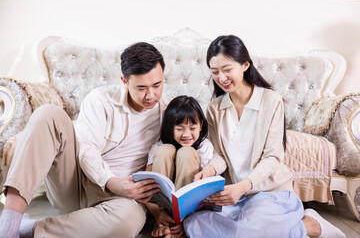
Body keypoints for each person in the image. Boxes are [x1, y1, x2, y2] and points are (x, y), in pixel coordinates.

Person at [0, 42, 170, 238]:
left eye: (157, 85)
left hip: (123, 198)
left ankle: (31, 228)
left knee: (130, 220)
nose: (151, 95)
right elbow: (86, 149)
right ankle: (9, 224)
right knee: (48, 114)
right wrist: (112, 182)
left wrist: (157, 209)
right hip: (77, 183)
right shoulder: (101, 99)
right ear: (125, 81)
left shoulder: (169, 112)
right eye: (141, 88)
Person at [182, 35, 346, 238]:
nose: (221, 78)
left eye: (227, 70)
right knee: (193, 224)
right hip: (236, 195)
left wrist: (242, 187)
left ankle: (309, 225)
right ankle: (291, 227)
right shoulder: (214, 108)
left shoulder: (270, 100)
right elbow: (220, 156)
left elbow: (273, 157)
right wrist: (208, 170)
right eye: (215, 72)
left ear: (245, 65)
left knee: (248, 232)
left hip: (270, 191)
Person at [144, 95, 213, 237]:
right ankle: (166, 224)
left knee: (187, 152)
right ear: (170, 127)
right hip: (160, 208)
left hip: (190, 209)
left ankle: (179, 223)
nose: (186, 134)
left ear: (200, 124)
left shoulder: (204, 147)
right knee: (165, 150)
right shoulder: (158, 147)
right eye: (179, 128)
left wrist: (185, 220)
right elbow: (146, 187)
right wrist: (157, 213)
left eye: (192, 127)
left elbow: (206, 189)